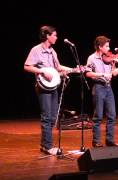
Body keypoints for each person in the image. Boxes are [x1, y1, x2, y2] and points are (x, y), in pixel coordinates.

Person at [24, 25, 75, 155]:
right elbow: (27, 66)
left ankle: (44, 144)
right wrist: (42, 71)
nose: (56, 38)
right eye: (54, 35)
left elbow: (57, 67)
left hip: (54, 86)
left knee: (53, 117)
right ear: (47, 36)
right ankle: (48, 146)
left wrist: (73, 69)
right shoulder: (36, 50)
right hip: (43, 87)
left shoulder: (53, 52)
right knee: (47, 117)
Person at [86, 35, 118, 147]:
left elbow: (114, 73)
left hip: (108, 88)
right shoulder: (92, 58)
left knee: (112, 115)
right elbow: (88, 73)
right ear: (99, 47)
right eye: (106, 46)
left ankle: (109, 140)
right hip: (98, 87)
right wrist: (102, 74)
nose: (109, 48)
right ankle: (96, 141)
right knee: (98, 116)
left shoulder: (109, 58)